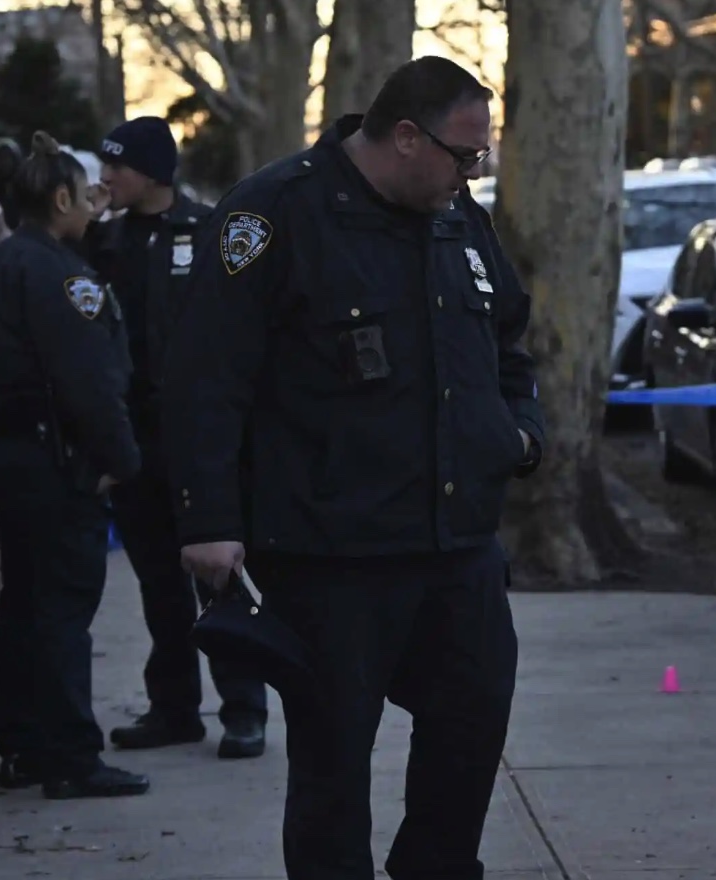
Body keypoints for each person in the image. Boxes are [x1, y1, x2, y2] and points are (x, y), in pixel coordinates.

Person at [161, 56, 545, 879]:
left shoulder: (454, 216)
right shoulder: (275, 213)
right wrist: (209, 520)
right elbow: (206, 377)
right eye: (463, 154)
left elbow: (509, 343)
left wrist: (519, 436)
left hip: (456, 546)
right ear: (406, 137)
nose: (473, 171)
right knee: (333, 768)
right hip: (331, 556)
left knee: (470, 732)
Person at [0, 131, 150, 800]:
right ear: (59, 198)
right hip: (57, 462)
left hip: (6, 460)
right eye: (84, 197)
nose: (93, 208)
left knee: (24, 601)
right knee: (62, 608)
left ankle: (25, 744)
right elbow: (90, 380)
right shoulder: (64, 277)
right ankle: (70, 756)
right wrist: (121, 459)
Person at [86, 116, 269, 759]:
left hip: (200, 442)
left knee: (219, 579)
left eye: (117, 165)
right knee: (157, 586)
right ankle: (173, 708)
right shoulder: (100, 243)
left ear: (153, 171)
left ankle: (244, 708)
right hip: (134, 442)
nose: (105, 177)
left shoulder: (211, 227)